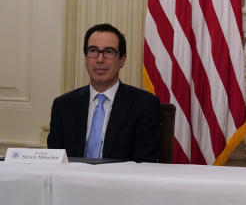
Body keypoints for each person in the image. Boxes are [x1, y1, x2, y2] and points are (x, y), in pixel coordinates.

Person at [47, 23, 161, 162]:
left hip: (120, 182)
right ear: (86, 59)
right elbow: (55, 160)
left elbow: (144, 162)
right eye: (93, 51)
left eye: (108, 52)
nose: (100, 59)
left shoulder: (144, 105)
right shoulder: (64, 105)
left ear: (122, 60)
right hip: (72, 182)